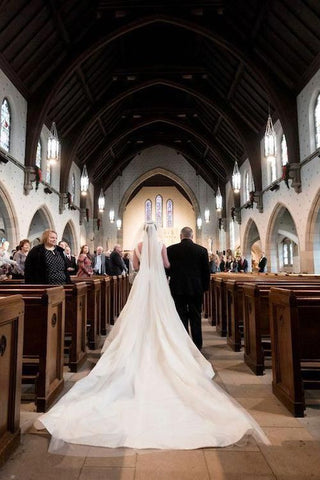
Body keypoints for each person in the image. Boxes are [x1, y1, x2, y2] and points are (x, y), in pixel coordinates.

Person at [35, 221, 268, 452]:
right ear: (156, 232)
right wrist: (163, 266)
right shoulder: (161, 245)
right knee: (165, 316)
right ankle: (181, 346)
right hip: (158, 284)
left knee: (138, 314)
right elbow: (166, 265)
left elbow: (135, 265)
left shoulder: (137, 247)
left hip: (142, 284)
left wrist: (148, 265)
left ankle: (138, 342)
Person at [166, 226, 210, 351]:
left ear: (181, 236)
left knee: (180, 316)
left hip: (177, 288)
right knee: (196, 316)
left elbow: (167, 270)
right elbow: (206, 272)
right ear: (192, 236)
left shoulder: (171, 250)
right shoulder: (202, 250)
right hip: (196, 289)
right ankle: (197, 345)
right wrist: (205, 288)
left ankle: (183, 345)